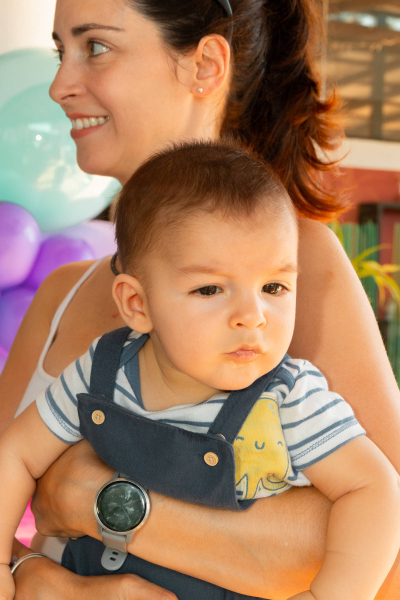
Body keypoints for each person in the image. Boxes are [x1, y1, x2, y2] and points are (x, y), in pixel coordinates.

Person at [2, 0, 400, 599]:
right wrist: (31, 577)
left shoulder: (303, 268)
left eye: (97, 47)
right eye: (62, 51)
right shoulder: (62, 292)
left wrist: (91, 501)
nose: (59, 84)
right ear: (133, 301)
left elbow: (384, 536)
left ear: (206, 66)